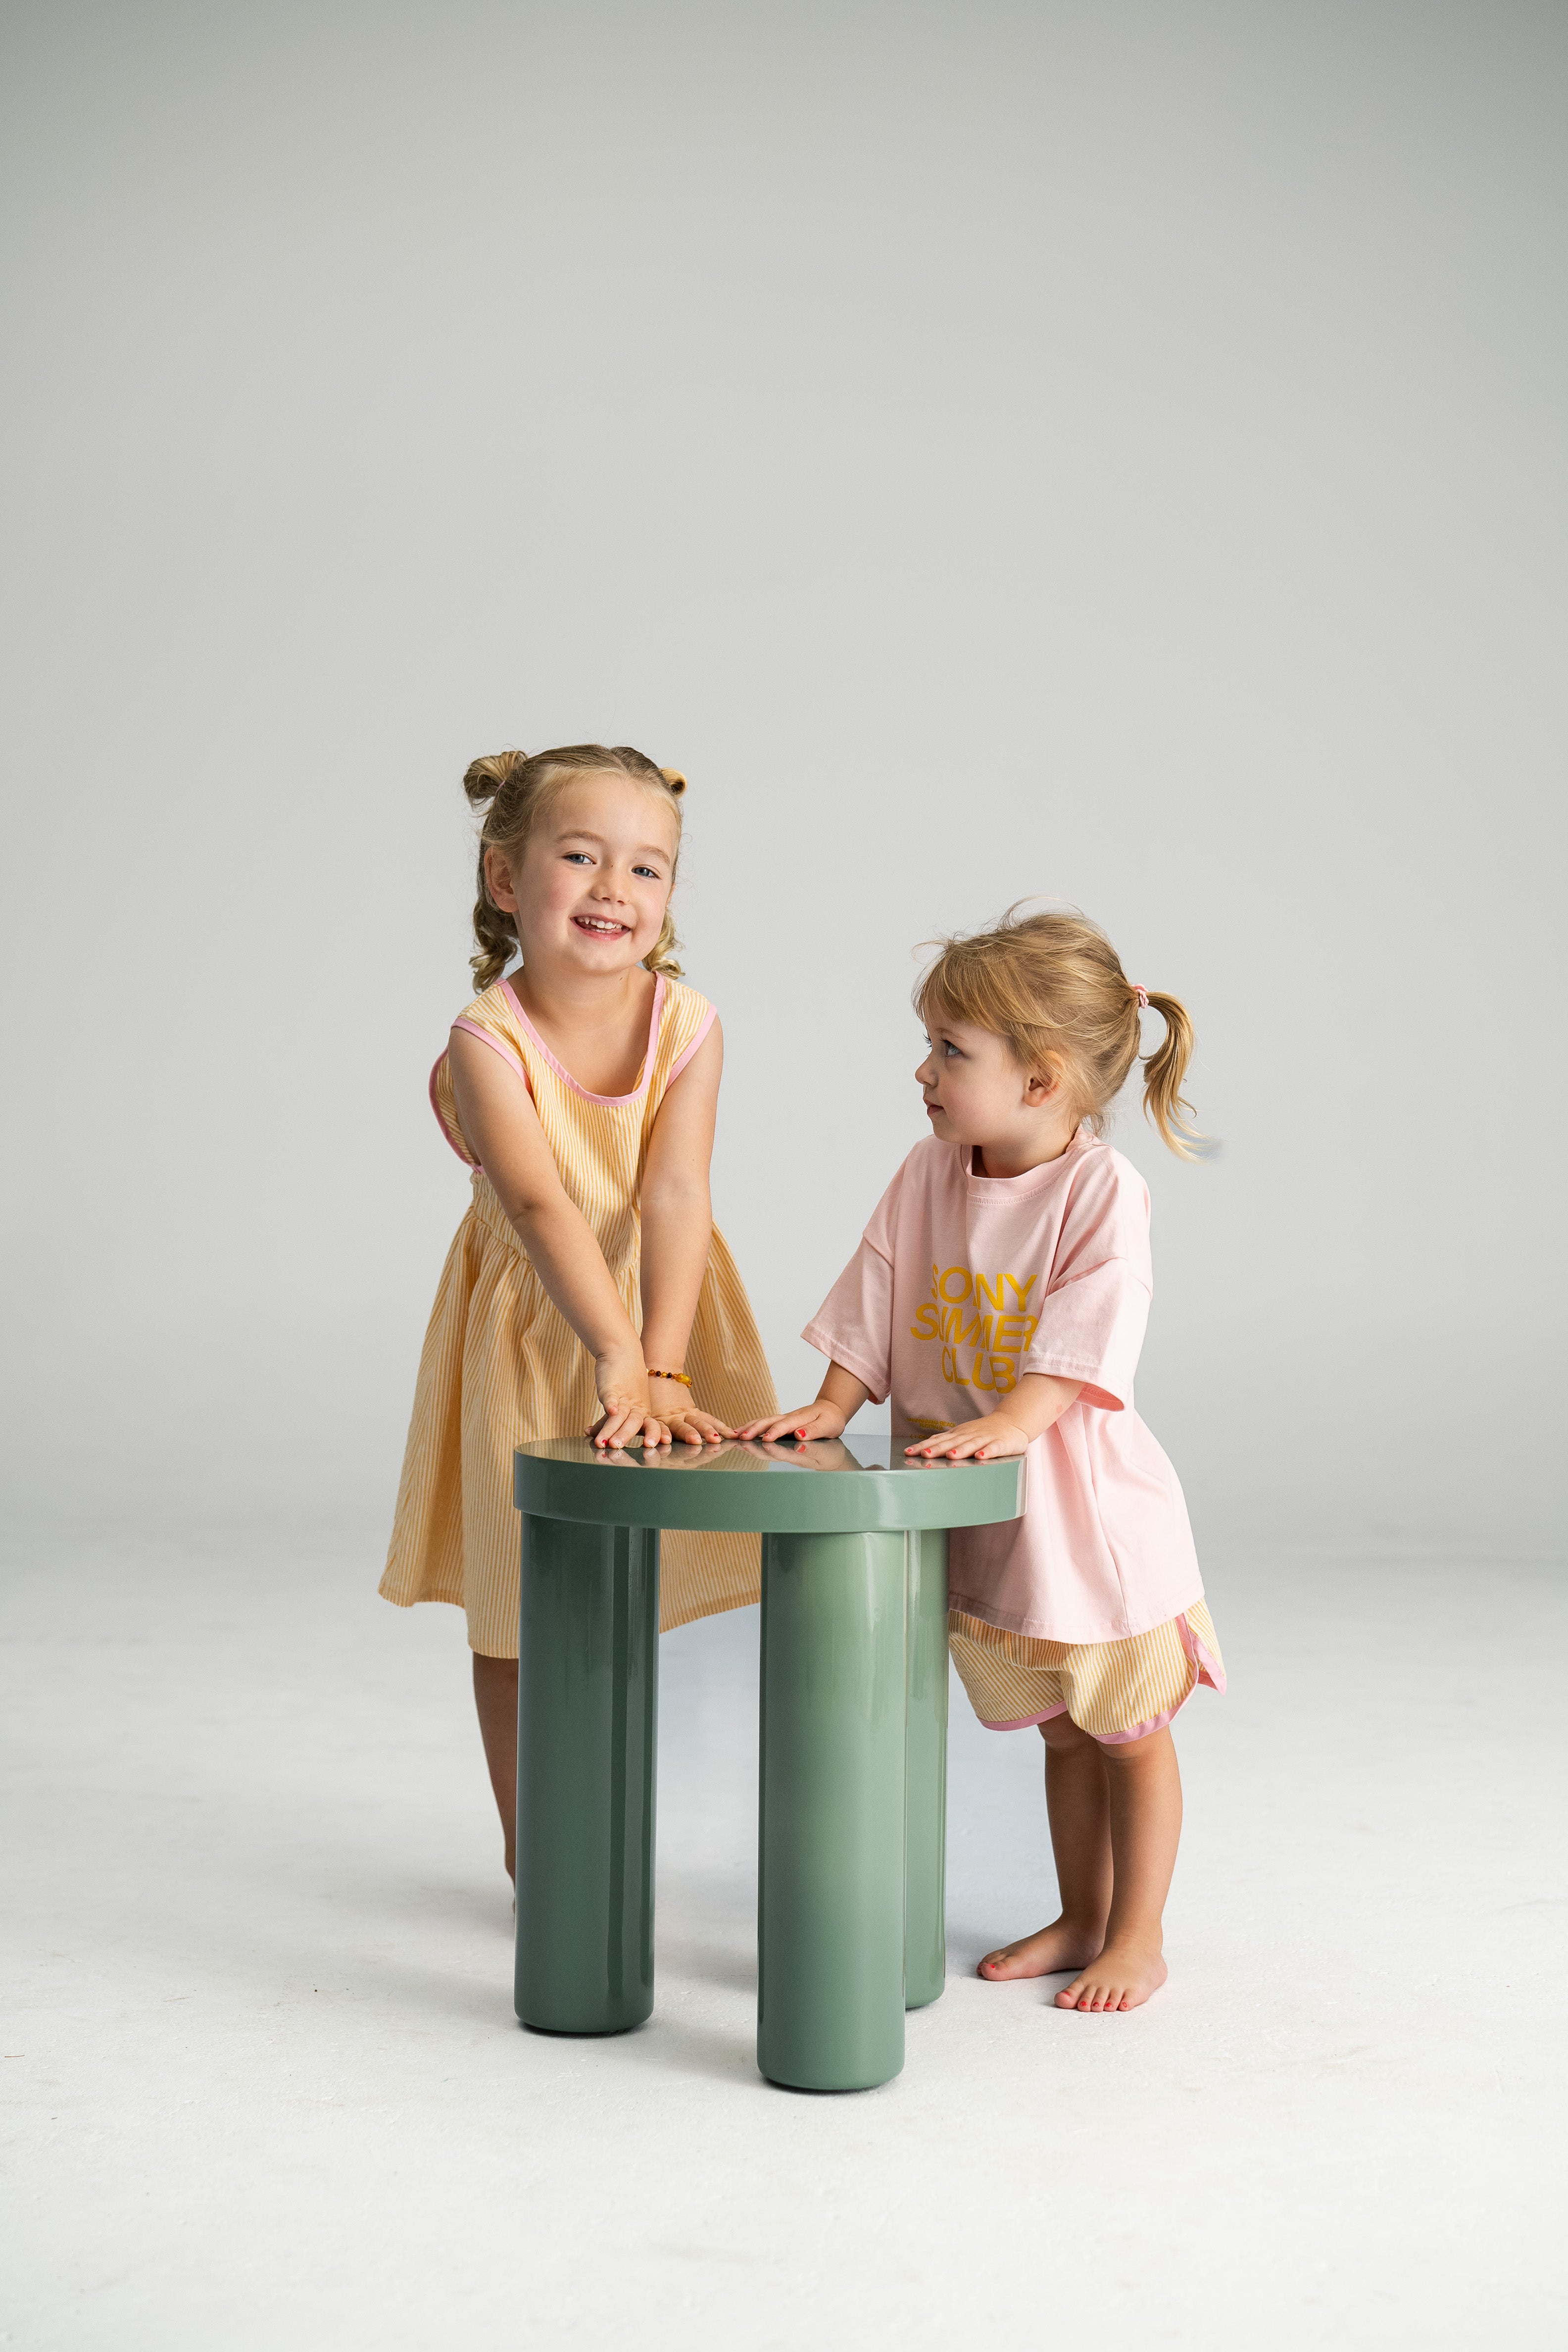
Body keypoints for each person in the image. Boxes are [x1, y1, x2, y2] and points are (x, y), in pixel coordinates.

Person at [741, 907, 1223, 2014]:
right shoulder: (930, 1171)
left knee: (1127, 1737)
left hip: (1090, 1528)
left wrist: (1020, 1415)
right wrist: (833, 1401)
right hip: (994, 1516)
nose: (924, 1071)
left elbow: (1099, 1316)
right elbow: (881, 1282)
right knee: (1061, 1739)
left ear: (1043, 1079)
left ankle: (1138, 1936)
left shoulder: (1101, 1193)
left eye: (951, 1052)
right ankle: (1081, 1915)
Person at [380, 744, 777, 1880]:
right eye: (582, 857)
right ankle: (533, 1851)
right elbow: (545, 1202)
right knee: (516, 1610)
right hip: (529, 1330)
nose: (617, 888)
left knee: (623, 1591)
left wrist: (659, 1360)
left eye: (648, 869)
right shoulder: (485, 1039)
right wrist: (609, 1349)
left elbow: (676, 1192)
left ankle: (614, 1820)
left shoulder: (688, 1022)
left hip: (657, 1311)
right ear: (507, 882)